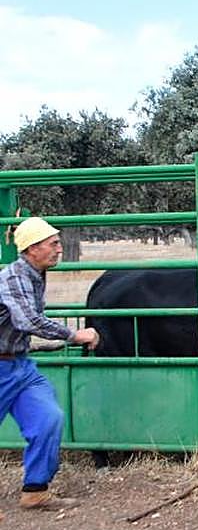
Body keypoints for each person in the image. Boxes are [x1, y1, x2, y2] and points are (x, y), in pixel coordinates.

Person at [0, 217, 100, 513]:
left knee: (48, 419)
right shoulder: (13, 279)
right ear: (32, 249)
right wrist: (74, 334)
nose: (59, 248)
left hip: (20, 366)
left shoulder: (36, 274)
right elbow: (28, 320)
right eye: (53, 243)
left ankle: (35, 491)